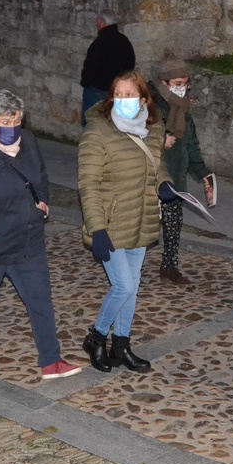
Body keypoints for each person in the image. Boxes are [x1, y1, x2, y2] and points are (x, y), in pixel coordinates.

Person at [0, 89, 83, 380]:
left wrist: (43, 203)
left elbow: (41, 176)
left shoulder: (28, 142)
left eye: (17, 121)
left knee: (40, 300)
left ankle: (51, 360)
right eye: (5, 122)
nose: (12, 128)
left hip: (28, 240)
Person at [79, 70, 175, 373]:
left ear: (144, 99)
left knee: (133, 287)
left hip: (141, 217)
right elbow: (88, 185)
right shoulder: (97, 131)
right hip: (109, 223)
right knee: (123, 286)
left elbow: (157, 164)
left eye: (129, 94)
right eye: (117, 94)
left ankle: (121, 344)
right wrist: (97, 229)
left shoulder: (153, 128)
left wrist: (165, 183)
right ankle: (96, 338)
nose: (122, 100)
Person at [149, 58, 213, 285]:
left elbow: (191, 144)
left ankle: (170, 266)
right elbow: (134, 138)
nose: (182, 88)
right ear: (163, 83)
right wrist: (160, 141)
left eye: (185, 83)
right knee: (143, 226)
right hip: (151, 177)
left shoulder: (182, 108)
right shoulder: (148, 105)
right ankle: (126, 269)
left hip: (176, 178)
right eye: (177, 83)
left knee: (173, 223)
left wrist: (204, 173)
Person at [79, 9, 135, 127]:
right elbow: (130, 65)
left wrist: (86, 82)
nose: (96, 25)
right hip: (117, 90)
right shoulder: (124, 41)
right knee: (114, 123)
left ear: (103, 23)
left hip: (98, 89)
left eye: (97, 22)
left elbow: (90, 66)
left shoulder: (100, 43)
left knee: (91, 122)